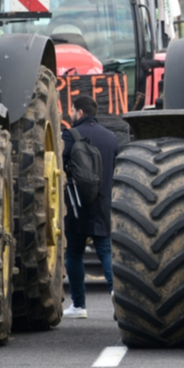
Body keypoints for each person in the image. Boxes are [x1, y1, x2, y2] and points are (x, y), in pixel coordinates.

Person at [62, 95, 118, 319]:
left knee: (74, 253)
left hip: (77, 203)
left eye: (72, 111)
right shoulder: (111, 138)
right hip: (104, 202)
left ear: (80, 112)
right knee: (105, 250)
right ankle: (116, 291)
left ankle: (79, 305)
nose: (71, 115)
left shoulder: (70, 136)